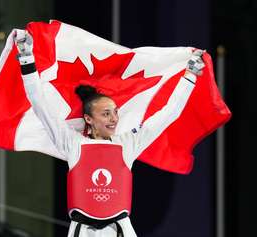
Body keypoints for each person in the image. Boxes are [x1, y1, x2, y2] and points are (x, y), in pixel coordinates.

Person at [14, 30, 205, 237]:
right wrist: (26, 57)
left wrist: (190, 75)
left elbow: (168, 113)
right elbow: (39, 102)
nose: (114, 119)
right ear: (89, 119)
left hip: (121, 231)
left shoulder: (128, 143)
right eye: (106, 114)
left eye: (115, 112)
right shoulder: (72, 143)